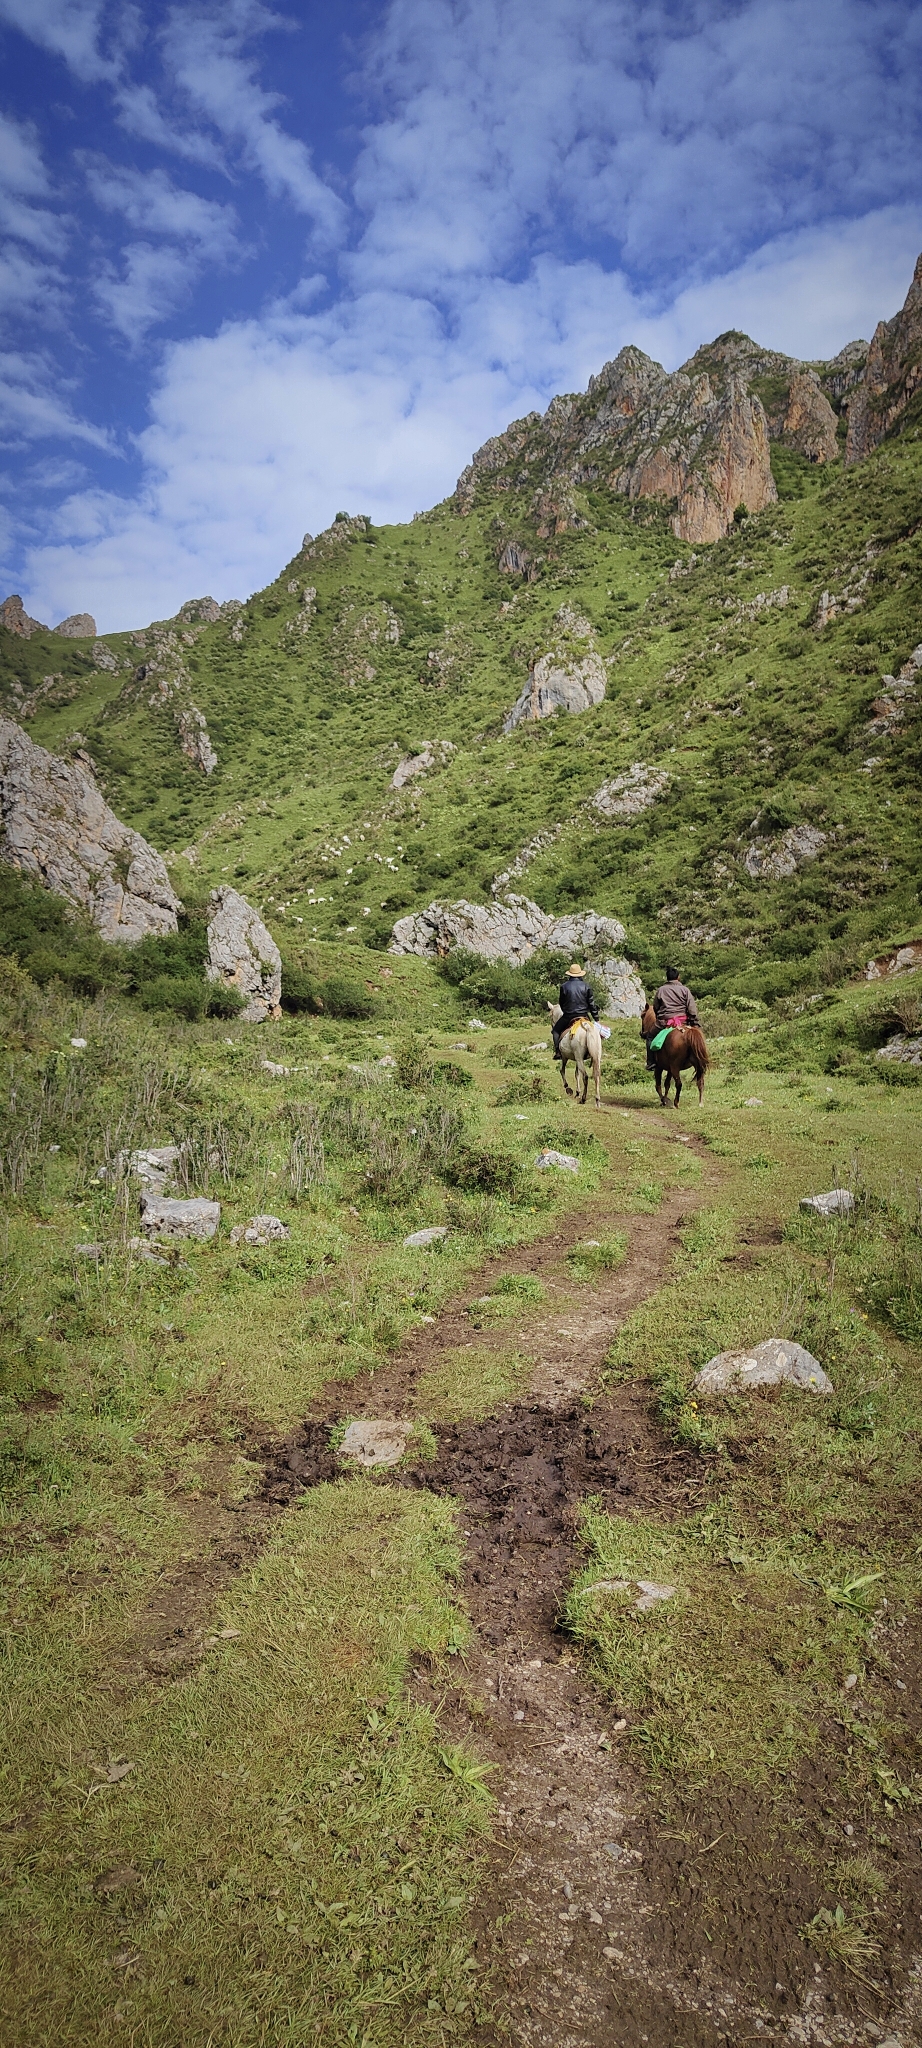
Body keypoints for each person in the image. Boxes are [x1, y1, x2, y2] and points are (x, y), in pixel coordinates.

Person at [644, 964, 700, 1070]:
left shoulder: (661, 990)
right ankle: (700, 1057)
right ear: (678, 977)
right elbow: (691, 1008)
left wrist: (660, 1016)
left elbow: (656, 1007)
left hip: (664, 1022)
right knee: (698, 1036)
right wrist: (693, 1021)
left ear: (667, 978)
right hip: (683, 1022)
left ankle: (651, 1062)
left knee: (650, 1037)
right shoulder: (685, 990)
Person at [552, 962, 599, 1061]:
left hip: (569, 1016)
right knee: (594, 1031)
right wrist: (596, 1018)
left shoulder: (564, 986)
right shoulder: (586, 986)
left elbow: (561, 1002)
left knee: (555, 1030)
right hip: (584, 1016)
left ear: (570, 974)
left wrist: (566, 1011)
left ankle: (558, 1052)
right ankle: (595, 1050)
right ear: (580, 974)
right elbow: (591, 1004)